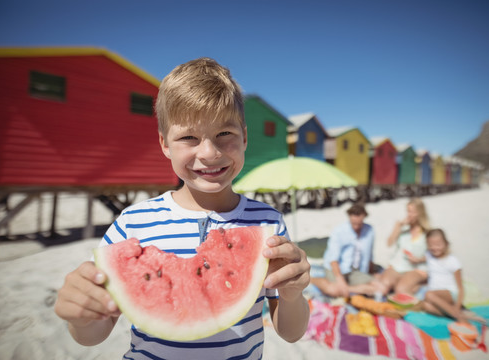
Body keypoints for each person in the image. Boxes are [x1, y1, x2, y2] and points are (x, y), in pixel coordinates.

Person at [54, 57, 311, 359]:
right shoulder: (132, 223)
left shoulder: (267, 224)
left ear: (244, 137)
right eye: (189, 137)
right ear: (165, 144)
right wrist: (81, 316)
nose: (209, 153)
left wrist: (294, 296)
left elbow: (290, 332)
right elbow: (94, 334)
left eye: (224, 135)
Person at [310, 203, 377, 297]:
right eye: (354, 223)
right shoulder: (339, 231)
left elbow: (369, 255)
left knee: (379, 287)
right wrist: (340, 280)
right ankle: (312, 279)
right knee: (334, 290)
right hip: (337, 269)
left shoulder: (369, 230)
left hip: (355, 270)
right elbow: (333, 259)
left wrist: (371, 272)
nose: (356, 227)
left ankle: (349, 289)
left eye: (359, 224)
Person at [373, 197, 430, 296]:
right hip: (398, 265)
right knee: (383, 286)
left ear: (420, 213)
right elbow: (389, 243)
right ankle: (406, 284)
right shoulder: (404, 230)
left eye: (413, 212)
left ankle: (418, 286)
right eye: (408, 211)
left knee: (401, 290)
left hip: (416, 268)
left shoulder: (427, 233)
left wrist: (420, 259)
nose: (409, 215)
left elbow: (435, 255)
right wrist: (398, 226)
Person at [421, 229, 467, 323]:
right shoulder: (429, 255)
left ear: (446, 244)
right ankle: (450, 314)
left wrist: (457, 306)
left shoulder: (453, 261)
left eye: (438, 245)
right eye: (431, 245)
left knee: (429, 294)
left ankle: (458, 316)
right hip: (436, 296)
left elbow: (460, 288)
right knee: (425, 305)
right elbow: (422, 262)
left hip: (449, 293)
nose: (434, 248)